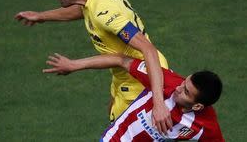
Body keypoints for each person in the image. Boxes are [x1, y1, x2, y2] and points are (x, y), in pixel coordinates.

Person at [15, 0, 172, 133]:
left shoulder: (107, 14)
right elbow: (84, 9)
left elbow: (148, 49)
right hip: (124, 75)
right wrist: (41, 16)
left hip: (143, 80)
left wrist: (158, 103)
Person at [43, 53, 224, 141]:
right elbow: (121, 60)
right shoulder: (165, 80)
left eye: (185, 92)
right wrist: (74, 64)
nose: (178, 88)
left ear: (198, 106)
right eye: (185, 82)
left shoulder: (206, 126)